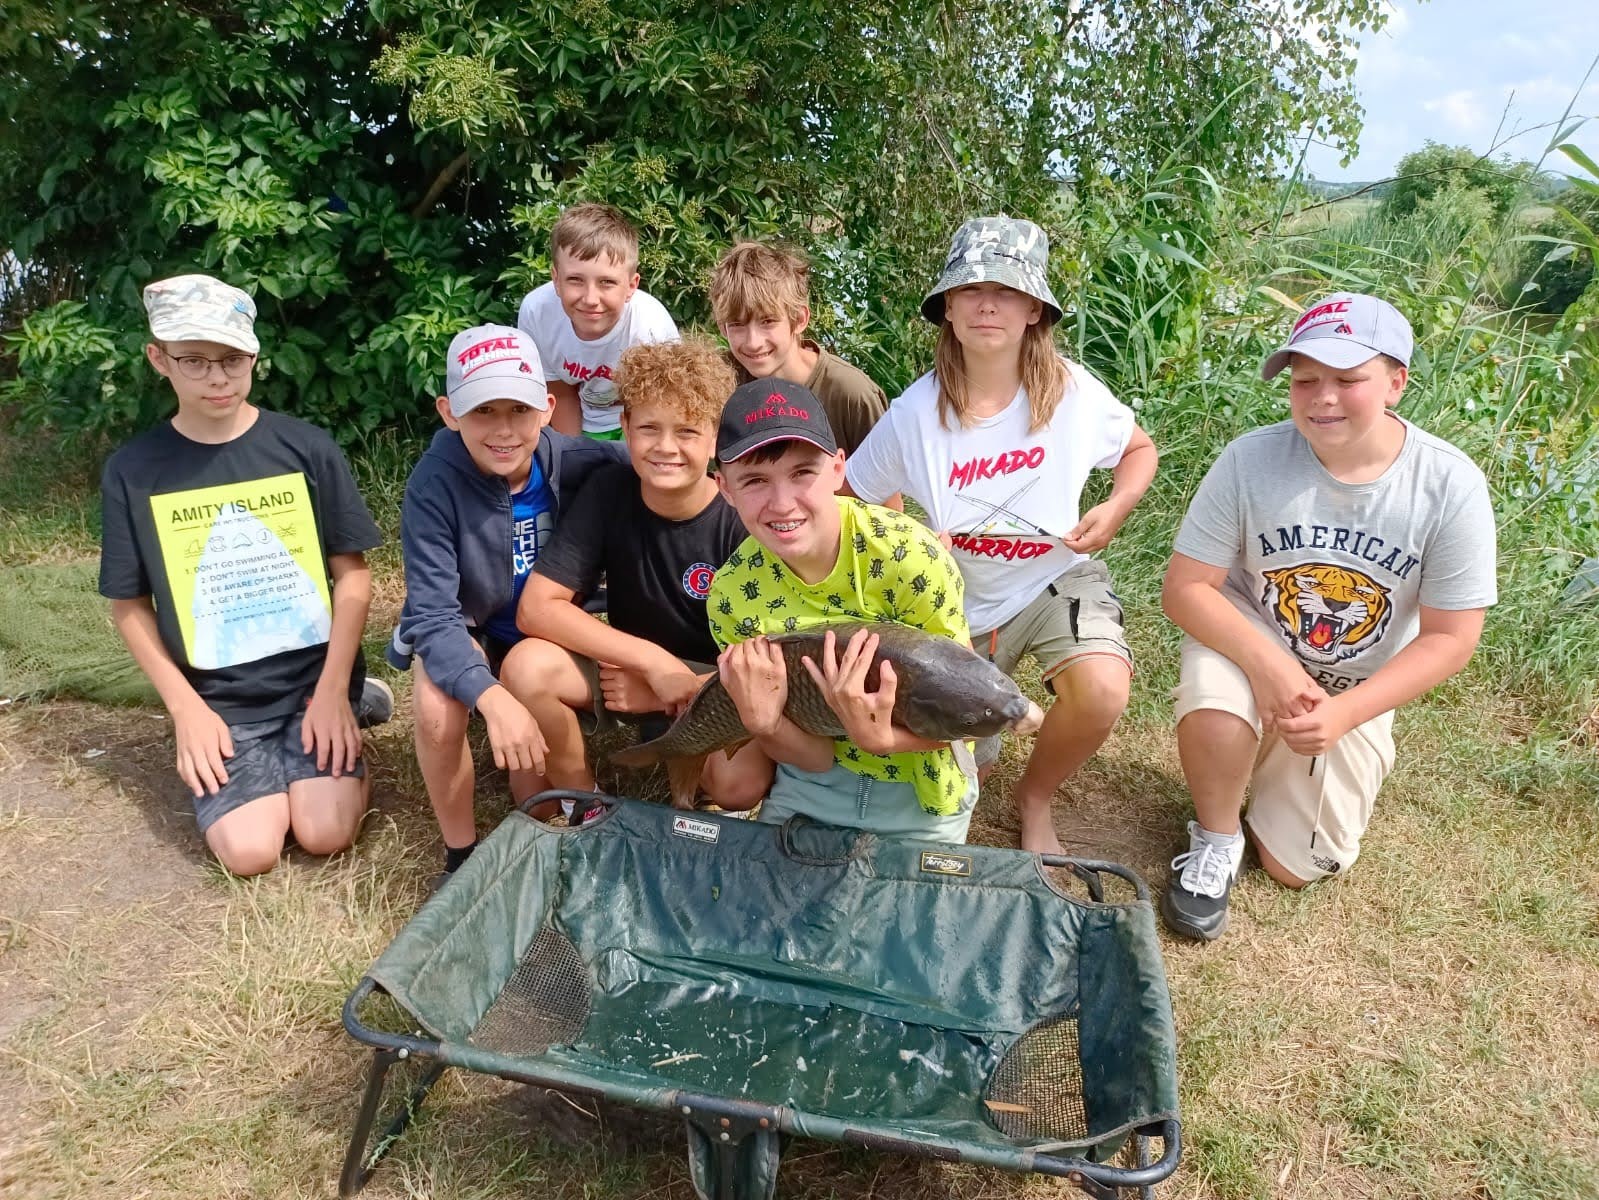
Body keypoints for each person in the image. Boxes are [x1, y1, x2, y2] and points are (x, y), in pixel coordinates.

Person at [1159, 292, 1497, 940]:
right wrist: (1267, 664)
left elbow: (1451, 639)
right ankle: (1215, 835)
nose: (1322, 397)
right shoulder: (1249, 459)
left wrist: (1342, 714)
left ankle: (1265, 766)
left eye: (1348, 379)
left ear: (1395, 382)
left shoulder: (1450, 486)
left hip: (1353, 682)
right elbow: (1185, 590)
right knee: (1215, 703)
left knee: (1294, 866)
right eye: (1305, 379)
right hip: (1250, 638)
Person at [845, 216, 1158, 854]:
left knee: (1101, 688)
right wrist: (904, 540)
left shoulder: (1074, 392)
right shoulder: (912, 414)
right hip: (954, 596)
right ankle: (985, 761)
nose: (989, 303)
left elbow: (1140, 450)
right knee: (965, 770)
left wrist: (1118, 505)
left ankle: (1037, 796)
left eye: (1008, 291)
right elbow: (853, 498)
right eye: (971, 289)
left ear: (1035, 310)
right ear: (948, 309)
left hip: (1053, 576)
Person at [99, 274, 385, 876]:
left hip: (314, 681)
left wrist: (334, 691)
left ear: (255, 354)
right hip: (221, 700)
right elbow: (129, 604)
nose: (216, 377)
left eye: (231, 359)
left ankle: (355, 709)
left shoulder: (305, 448)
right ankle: (261, 767)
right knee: (251, 852)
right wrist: (186, 711)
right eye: (194, 361)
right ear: (159, 358)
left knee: (325, 833)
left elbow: (354, 577)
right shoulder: (133, 471)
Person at [387, 324, 623, 878]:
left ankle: (571, 784)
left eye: (517, 410)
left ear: (545, 407)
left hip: (545, 639)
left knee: (532, 797)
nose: (502, 430)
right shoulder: (432, 484)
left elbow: (674, 485)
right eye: (482, 412)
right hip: (473, 627)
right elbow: (435, 615)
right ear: (449, 412)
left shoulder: (588, 462)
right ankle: (460, 853)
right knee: (436, 707)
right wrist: (492, 701)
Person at [710, 378, 978, 842]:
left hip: (922, 783)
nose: (782, 503)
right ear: (724, 488)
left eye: (802, 473)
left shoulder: (911, 557)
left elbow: (967, 710)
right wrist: (765, 724)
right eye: (754, 480)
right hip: (813, 782)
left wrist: (884, 740)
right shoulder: (733, 595)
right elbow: (814, 758)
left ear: (838, 468)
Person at [513, 337, 771, 811]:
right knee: (527, 666)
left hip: (717, 681)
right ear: (625, 426)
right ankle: (583, 799)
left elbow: (766, 658)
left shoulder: (744, 515)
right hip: (632, 670)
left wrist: (678, 690)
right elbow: (537, 608)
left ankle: (685, 749)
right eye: (649, 427)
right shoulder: (609, 490)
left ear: (716, 436)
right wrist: (651, 665)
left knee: (740, 785)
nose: (666, 447)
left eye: (687, 432)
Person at [709, 240, 887, 457]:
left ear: (800, 319)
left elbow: (887, 490)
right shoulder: (718, 383)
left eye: (768, 321)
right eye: (737, 324)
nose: (753, 342)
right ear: (722, 328)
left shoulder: (851, 394)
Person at [517, 202, 679, 441]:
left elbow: (667, 410)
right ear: (556, 279)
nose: (591, 299)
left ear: (631, 286)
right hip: (581, 419)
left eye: (606, 282)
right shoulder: (537, 313)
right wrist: (574, 457)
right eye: (575, 280)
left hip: (644, 423)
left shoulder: (650, 327)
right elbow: (560, 394)